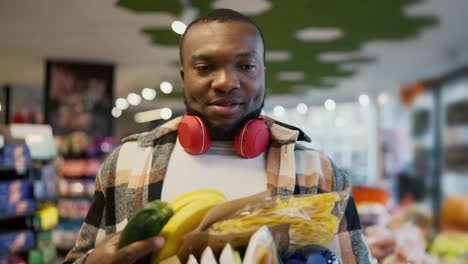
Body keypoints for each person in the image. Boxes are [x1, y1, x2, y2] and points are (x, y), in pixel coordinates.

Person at [64, 8, 375, 264]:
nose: (226, 82)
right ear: (184, 76)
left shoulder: (319, 173)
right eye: (205, 66)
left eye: (245, 65)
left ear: (263, 72)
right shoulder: (126, 165)